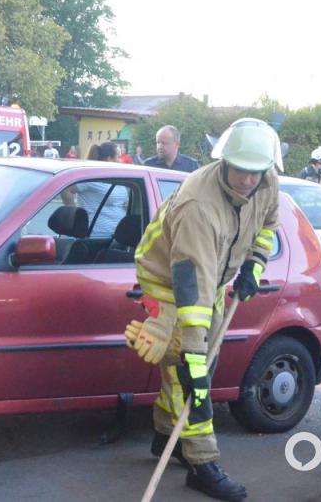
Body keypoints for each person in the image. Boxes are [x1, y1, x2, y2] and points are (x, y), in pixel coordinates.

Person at [125, 118, 281, 501]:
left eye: (255, 172)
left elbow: (268, 225)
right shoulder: (199, 204)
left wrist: (254, 265)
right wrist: (194, 354)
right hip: (167, 279)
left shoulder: (267, 180)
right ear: (224, 160)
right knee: (189, 372)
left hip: (212, 277)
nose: (248, 179)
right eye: (240, 170)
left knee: (198, 365)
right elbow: (190, 287)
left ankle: (166, 438)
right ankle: (202, 463)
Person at [61, 141, 128, 236]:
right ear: (109, 159)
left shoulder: (117, 178)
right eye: (118, 157)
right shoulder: (92, 178)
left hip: (117, 236)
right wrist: (74, 213)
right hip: (97, 235)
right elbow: (66, 189)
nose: (121, 160)